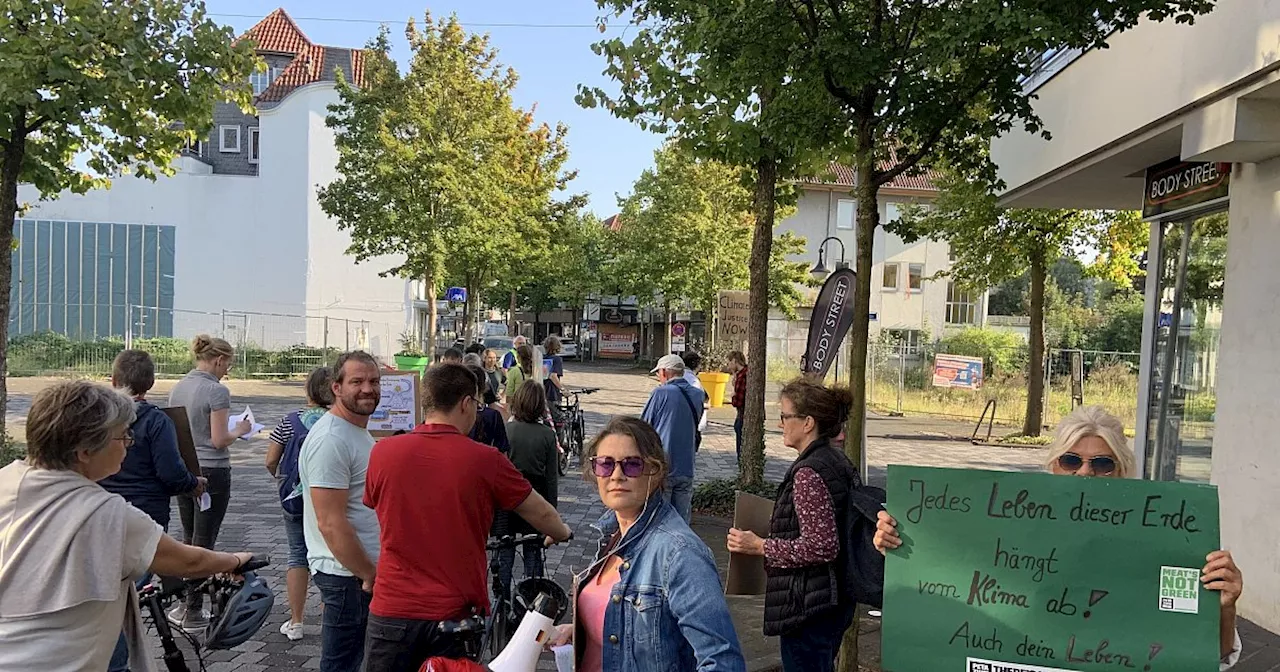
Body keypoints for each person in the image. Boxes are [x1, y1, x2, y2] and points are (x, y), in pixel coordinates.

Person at [872, 404, 1245, 670]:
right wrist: (903, 543)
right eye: (1071, 461)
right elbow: (945, 571)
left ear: (1121, 471)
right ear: (1053, 466)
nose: (1084, 473)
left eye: (1101, 463)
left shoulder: (1160, 539)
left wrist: (1224, 605)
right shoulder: (1007, 527)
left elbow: (1212, 656)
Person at [0, 380, 257, 672]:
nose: (129, 444)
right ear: (85, 450)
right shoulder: (106, 513)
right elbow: (189, 560)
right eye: (122, 437)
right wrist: (235, 560)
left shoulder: (7, 480)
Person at [362, 363, 572, 671]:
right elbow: (541, 512)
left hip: (392, 610)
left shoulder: (383, 452)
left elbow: (375, 505)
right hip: (453, 615)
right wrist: (563, 531)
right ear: (465, 403)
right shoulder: (486, 459)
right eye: (477, 402)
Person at [546, 417, 745, 671]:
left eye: (631, 465)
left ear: (655, 470)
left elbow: (723, 662)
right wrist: (585, 630)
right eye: (605, 465)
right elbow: (633, 627)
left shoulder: (679, 553)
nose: (616, 476)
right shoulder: (614, 535)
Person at [725, 378, 859, 672]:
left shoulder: (809, 472)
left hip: (808, 606)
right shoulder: (836, 461)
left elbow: (822, 546)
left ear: (808, 422)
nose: (780, 422)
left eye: (785, 416)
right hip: (830, 599)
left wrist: (759, 545)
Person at [99, 350, 204, 672]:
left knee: (107, 596)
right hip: (144, 516)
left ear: (114, 380)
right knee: (122, 599)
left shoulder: (98, 417)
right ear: (151, 382)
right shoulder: (156, 420)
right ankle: (115, 665)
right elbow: (171, 474)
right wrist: (193, 483)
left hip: (99, 517)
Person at [300, 351, 383, 672]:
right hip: (347, 577)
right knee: (341, 665)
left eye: (374, 381)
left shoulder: (355, 431)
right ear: (336, 387)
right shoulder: (332, 439)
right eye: (357, 381)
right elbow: (330, 522)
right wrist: (369, 573)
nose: (367, 389)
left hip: (357, 574)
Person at [167, 334, 254, 631]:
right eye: (227, 363)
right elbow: (219, 440)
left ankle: (182, 604)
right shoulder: (217, 392)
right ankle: (193, 611)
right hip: (213, 471)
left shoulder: (179, 387)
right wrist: (241, 429)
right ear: (218, 360)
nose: (227, 370)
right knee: (205, 540)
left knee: (188, 535)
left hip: (186, 467)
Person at [265, 366, 334, 642]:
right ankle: (331, 617)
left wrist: (281, 480)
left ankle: (295, 621)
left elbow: (270, 460)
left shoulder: (289, 421)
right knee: (332, 555)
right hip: (327, 498)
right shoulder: (337, 422)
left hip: (294, 499)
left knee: (297, 554)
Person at [499, 381, 560, 600]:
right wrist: (551, 513)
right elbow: (551, 478)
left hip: (505, 498)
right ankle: (531, 601)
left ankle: (502, 601)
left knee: (504, 553)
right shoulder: (547, 435)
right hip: (535, 496)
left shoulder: (507, 429)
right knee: (533, 552)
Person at [640, 354, 705, 523]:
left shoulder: (661, 393)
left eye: (658, 373)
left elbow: (644, 426)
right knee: (682, 520)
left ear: (665, 372)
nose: (658, 377)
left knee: (660, 520)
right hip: (687, 465)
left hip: (664, 464)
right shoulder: (698, 395)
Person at [466, 364, 510, 454]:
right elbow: (502, 451)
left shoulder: (455, 414)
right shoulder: (493, 416)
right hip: (487, 462)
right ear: (485, 387)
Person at [680, 350, 709, 447]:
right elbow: (700, 399)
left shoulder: (680, 376)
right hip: (693, 422)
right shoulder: (694, 381)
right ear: (696, 365)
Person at [727, 351, 748, 461]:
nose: (728, 365)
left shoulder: (741, 376)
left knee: (741, 445)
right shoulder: (745, 373)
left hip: (743, 414)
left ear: (735, 361)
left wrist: (733, 395)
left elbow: (737, 402)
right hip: (744, 414)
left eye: (730, 362)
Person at [542, 335, 566, 408]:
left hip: (540, 392)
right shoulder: (556, 359)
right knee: (556, 417)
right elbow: (553, 376)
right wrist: (563, 389)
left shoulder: (541, 358)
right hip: (552, 393)